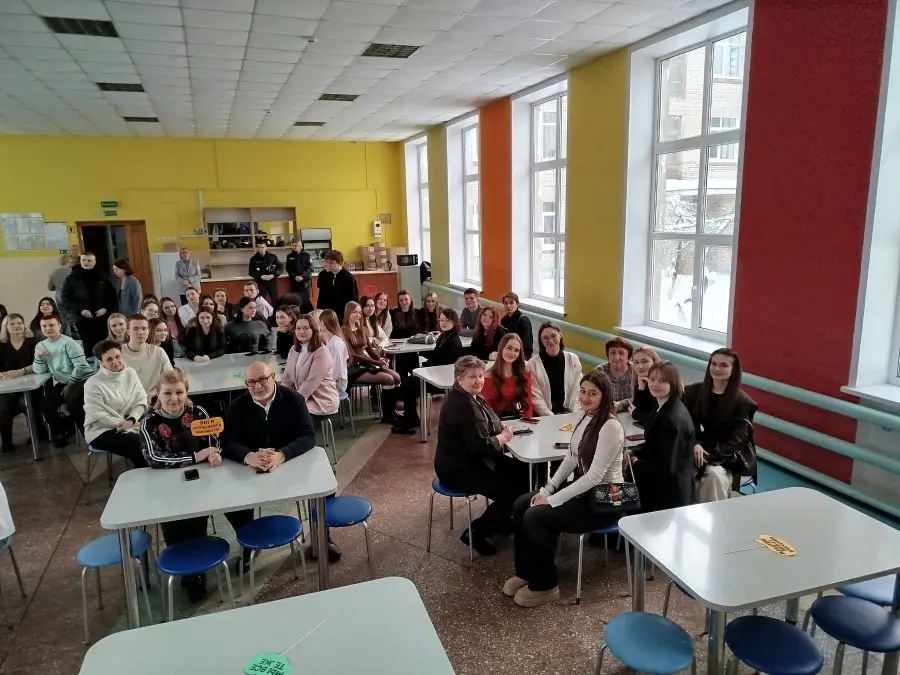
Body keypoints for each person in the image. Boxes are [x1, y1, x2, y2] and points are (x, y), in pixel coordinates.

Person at [506, 370, 626, 607]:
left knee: (536, 516)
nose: (586, 397)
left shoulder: (610, 426)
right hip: (585, 492)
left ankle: (546, 585)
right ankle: (527, 571)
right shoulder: (584, 416)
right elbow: (571, 458)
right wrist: (547, 490)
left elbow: (594, 476)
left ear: (605, 396)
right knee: (522, 504)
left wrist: (552, 500)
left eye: (593, 393)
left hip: (607, 498)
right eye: (583, 391)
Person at [139, 369, 253, 601]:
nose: (174, 398)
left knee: (236, 499)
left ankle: (249, 545)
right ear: (158, 394)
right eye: (167, 393)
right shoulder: (149, 422)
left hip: (205, 478)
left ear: (186, 392)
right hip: (169, 487)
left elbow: (215, 439)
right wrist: (195, 457)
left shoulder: (198, 412)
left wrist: (215, 453)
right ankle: (192, 576)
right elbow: (154, 458)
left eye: (179, 392)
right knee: (181, 520)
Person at [222, 361, 340, 561]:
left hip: (289, 461)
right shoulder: (237, 405)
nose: (257, 386)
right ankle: (249, 542)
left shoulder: (294, 399)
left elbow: (308, 436)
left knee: (325, 480)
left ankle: (322, 536)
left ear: (273, 377)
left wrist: (282, 454)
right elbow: (228, 441)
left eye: (262, 379)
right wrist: (248, 456)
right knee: (228, 492)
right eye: (251, 382)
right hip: (253, 466)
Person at [435, 356, 528, 555]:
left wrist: (499, 429)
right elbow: (481, 445)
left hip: (474, 460)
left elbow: (490, 423)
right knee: (512, 491)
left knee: (525, 473)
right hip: (459, 469)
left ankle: (502, 521)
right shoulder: (463, 405)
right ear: (459, 378)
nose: (478, 380)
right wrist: (503, 437)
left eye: (480, 376)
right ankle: (477, 531)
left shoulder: (471, 396)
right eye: (472, 377)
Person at [684, 349, 758, 502]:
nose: (717, 368)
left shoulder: (742, 402)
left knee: (713, 475)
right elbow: (685, 423)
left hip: (726, 456)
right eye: (714, 364)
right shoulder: (692, 392)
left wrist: (706, 455)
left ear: (733, 370)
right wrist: (695, 444)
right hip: (696, 447)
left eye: (724, 365)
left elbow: (736, 441)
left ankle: (712, 513)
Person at [626, 361, 695, 512]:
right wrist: (633, 451)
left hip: (669, 493)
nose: (655, 384)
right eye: (652, 379)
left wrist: (635, 463)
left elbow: (666, 467)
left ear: (673, 384)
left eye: (662, 381)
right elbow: (655, 444)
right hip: (663, 484)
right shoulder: (663, 406)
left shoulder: (672, 419)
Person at [391, 308, 463, 434]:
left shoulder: (454, 341)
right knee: (406, 382)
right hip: (434, 373)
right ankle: (411, 417)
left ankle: (410, 422)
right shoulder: (443, 336)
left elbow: (443, 364)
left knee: (408, 386)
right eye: (441, 320)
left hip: (441, 379)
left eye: (447, 320)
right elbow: (436, 356)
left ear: (454, 321)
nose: (443, 323)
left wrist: (426, 367)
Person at [83, 340, 148, 468]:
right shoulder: (92, 383)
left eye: (118, 357)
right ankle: (143, 476)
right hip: (101, 430)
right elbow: (97, 415)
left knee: (155, 438)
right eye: (109, 359)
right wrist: (122, 423)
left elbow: (141, 400)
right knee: (139, 445)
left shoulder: (130, 373)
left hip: (129, 423)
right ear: (101, 362)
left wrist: (131, 420)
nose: (115, 361)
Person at [33, 314, 91, 447]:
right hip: (63, 382)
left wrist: (70, 385)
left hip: (82, 379)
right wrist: (38, 357)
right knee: (46, 404)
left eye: (51, 325)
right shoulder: (40, 345)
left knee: (73, 400)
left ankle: (89, 437)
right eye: (44, 326)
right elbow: (40, 371)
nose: (48, 328)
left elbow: (81, 367)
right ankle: (60, 432)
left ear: (59, 326)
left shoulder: (68, 342)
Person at [341, 301, 401, 420]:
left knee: (397, 377)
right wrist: (376, 362)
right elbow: (353, 356)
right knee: (388, 379)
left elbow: (369, 350)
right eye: (354, 312)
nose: (358, 315)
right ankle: (388, 416)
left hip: (367, 363)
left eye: (359, 312)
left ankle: (392, 411)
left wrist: (380, 359)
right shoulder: (343, 331)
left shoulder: (361, 329)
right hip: (354, 367)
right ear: (348, 313)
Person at [61, 251, 118, 358]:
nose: (86, 262)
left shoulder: (102, 277)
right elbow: (65, 299)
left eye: (89, 260)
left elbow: (111, 296)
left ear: (94, 262)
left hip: (102, 319)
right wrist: (81, 310)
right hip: (82, 319)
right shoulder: (71, 279)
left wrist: (105, 308)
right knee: (88, 347)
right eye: (83, 260)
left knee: (104, 346)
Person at [282, 313, 339, 420]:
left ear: (314, 330)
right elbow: (287, 379)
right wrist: (281, 397)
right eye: (298, 328)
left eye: (306, 328)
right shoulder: (293, 350)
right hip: (301, 397)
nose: (301, 331)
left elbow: (311, 382)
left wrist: (293, 402)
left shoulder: (321, 352)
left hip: (321, 400)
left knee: (289, 416)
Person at [0, 314, 39, 453]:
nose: (16, 326)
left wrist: (20, 372)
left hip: (31, 385)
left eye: (19, 323)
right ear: (6, 327)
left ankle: (36, 435)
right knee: (2, 407)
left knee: (26, 403)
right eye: (12, 324)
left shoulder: (33, 342)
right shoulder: (1, 346)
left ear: (24, 325)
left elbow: (38, 364)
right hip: (8, 387)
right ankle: (6, 442)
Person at [528, 321, 582, 417]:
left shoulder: (573, 359)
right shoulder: (533, 364)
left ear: (560, 335)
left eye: (553, 336)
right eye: (545, 338)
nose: (550, 340)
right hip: (545, 416)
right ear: (541, 341)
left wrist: (574, 414)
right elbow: (535, 397)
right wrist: (552, 418)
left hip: (570, 413)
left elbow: (577, 390)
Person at [120, 315, 173, 401]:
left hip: (153, 400)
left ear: (148, 331)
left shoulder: (159, 352)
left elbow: (169, 378)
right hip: (125, 401)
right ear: (128, 331)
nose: (140, 332)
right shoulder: (118, 353)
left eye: (144, 329)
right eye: (135, 329)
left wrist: (153, 393)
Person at [481, 333, 533, 419]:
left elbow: (528, 401)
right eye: (509, 348)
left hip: (521, 420)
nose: (512, 353)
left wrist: (528, 421)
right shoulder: (487, 376)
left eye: (516, 350)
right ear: (501, 348)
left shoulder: (525, 371)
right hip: (497, 421)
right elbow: (486, 410)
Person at [316, 250, 358, 322]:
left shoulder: (348, 277)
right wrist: (319, 312)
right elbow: (321, 296)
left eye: (331, 263)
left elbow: (353, 299)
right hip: (326, 314)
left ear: (339, 263)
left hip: (341, 315)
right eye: (326, 262)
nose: (327, 265)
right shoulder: (322, 275)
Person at [596, 337, 634, 411]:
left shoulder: (635, 371)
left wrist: (619, 405)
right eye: (612, 353)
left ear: (628, 356)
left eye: (621, 353)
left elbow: (639, 398)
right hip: (605, 411)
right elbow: (593, 393)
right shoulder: (600, 371)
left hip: (630, 412)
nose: (616, 357)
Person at [389, 290, 419, 378]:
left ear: (410, 300)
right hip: (398, 348)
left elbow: (419, 329)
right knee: (401, 373)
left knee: (415, 373)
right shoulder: (393, 313)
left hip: (412, 347)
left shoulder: (416, 312)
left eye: (406, 299)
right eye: (401, 300)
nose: (404, 302)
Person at [629, 346, 661, 426]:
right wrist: (641, 389)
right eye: (636, 362)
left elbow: (662, 418)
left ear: (654, 362)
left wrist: (637, 414)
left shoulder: (664, 384)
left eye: (645, 361)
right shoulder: (642, 381)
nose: (640, 366)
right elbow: (635, 408)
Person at [319, 310, 349, 395]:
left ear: (322, 322)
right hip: (332, 380)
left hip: (337, 383)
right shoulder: (330, 340)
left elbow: (337, 370)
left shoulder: (336, 343)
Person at [500, 292, 534, 360]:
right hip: (507, 354)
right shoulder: (504, 320)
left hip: (520, 357)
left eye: (511, 303)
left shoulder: (524, 321)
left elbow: (527, 347)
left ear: (517, 304)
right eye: (506, 303)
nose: (508, 306)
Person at [285, 239, 313, 305]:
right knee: (295, 300)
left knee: (305, 300)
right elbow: (288, 268)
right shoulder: (289, 256)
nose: (294, 247)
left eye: (296, 246)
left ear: (301, 246)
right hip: (294, 281)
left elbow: (310, 268)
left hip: (305, 281)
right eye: (293, 246)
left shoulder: (307, 255)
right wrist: (295, 276)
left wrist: (302, 276)